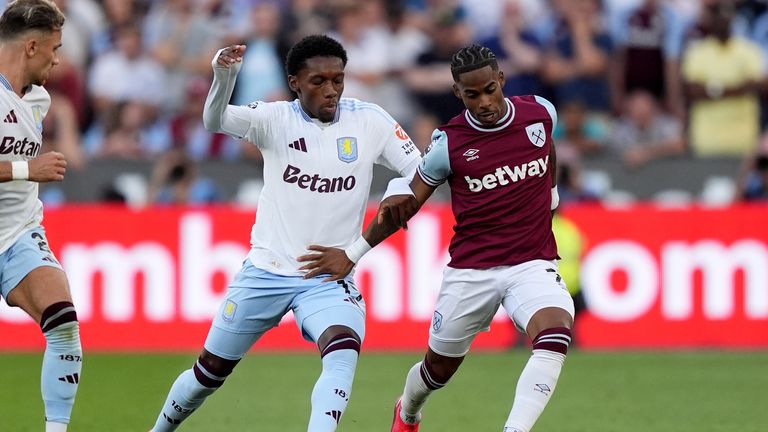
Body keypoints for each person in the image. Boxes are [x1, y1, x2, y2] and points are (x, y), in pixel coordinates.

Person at [149, 34, 421, 431]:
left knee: (342, 351)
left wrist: (394, 197)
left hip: (327, 276)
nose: (331, 91)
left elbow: (420, 170)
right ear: (294, 82)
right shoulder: (275, 119)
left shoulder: (370, 121)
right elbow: (215, 120)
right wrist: (223, 77)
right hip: (265, 270)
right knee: (206, 376)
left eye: (338, 80)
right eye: (319, 81)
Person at [300, 43, 575, 432]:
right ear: (457, 94)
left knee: (555, 335)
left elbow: (548, 152)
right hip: (471, 272)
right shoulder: (449, 143)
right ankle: (408, 410)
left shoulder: (540, 112)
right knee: (437, 370)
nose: (483, 102)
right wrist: (354, 252)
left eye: (489, 90)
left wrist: (551, 196)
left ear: (501, 80)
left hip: (532, 262)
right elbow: (406, 204)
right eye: (471, 95)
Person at [0, 1, 81, 431]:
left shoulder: (39, 99)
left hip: (18, 233)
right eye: (54, 48)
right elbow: (22, 167)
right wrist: (24, 169)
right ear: (31, 46)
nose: (58, 59)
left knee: (64, 322)